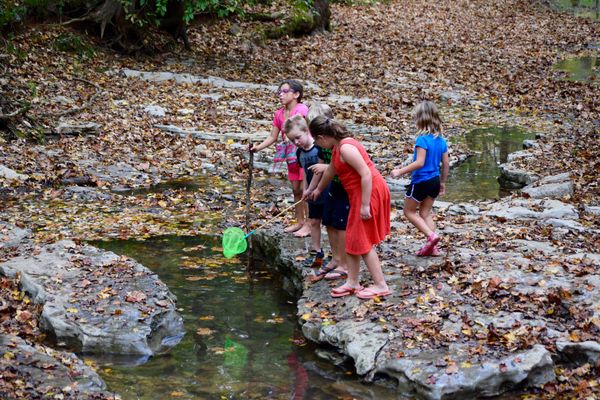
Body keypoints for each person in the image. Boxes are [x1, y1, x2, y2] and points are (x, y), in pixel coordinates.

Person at [308, 116, 391, 300]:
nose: (318, 146)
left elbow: (366, 174)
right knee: (352, 238)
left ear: (322, 137)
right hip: (358, 194)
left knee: (362, 240)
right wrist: (317, 189)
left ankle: (381, 285)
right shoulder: (338, 148)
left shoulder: (346, 148)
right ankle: (352, 282)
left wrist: (364, 205)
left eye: (317, 142)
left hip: (369, 192)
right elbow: (331, 170)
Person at [251, 79, 309, 236]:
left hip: (304, 154)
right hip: (291, 157)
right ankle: (300, 221)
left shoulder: (301, 109)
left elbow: (299, 127)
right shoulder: (278, 114)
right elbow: (272, 137)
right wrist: (257, 148)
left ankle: (310, 224)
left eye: (285, 91)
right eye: (279, 92)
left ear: (296, 94)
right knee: (296, 189)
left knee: (306, 189)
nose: (281, 95)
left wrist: (289, 138)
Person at [391, 101, 449, 257]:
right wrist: (442, 182)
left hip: (421, 181)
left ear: (420, 119)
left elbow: (419, 162)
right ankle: (433, 247)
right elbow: (446, 164)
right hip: (435, 181)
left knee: (409, 212)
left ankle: (431, 237)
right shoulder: (441, 141)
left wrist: (399, 171)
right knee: (425, 212)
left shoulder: (422, 140)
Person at [306, 102, 349, 281]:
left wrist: (324, 170)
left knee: (340, 226)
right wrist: (315, 188)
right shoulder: (323, 146)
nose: (315, 141)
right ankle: (336, 258)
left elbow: (335, 168)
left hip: (345, 187)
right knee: (329, 222)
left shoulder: (340, 146)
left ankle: (344, 264)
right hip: (333, 187)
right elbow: (324, 168)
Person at [284, 115, 325, 268]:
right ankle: (317, 252)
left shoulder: (319, 148)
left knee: (329, 223)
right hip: (311, 192)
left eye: (298, 138)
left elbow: (325, 170)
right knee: (313, 221)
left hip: (324, 190)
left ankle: (337, 256)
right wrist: (305, 190)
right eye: (292, 140)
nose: (296, 142)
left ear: (307, 130)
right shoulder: (300, 153)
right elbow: (305, 174)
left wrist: (317, 188)